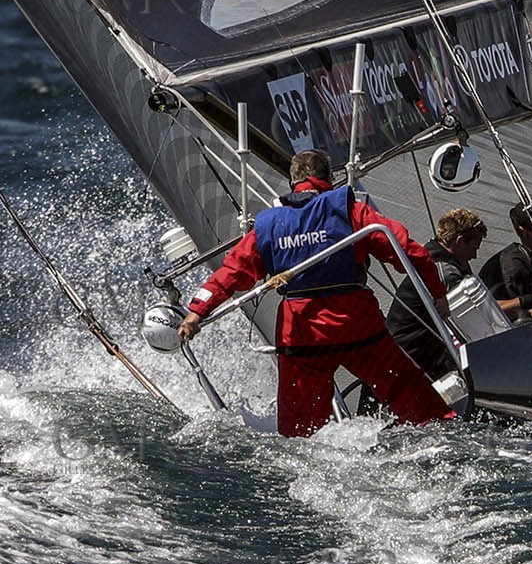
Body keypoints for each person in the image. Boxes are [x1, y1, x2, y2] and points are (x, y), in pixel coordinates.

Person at [176, 149, 456, 437]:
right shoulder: (350, 210)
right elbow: (413, 254)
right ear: (329, 178)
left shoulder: (267, 226)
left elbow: (231, 272)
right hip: (357, 326)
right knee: (410, 394)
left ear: (292, 181)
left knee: (299, 430)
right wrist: (437, 295)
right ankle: (441, 431)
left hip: (301, 333)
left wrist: (198, 310)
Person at [387, 208, 499, 380]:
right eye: (474, 248)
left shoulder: (450, 259)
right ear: (460, 241)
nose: (475, 256)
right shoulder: (444, 271)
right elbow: (473, 315)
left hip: (425, 348)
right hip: (409, 353)